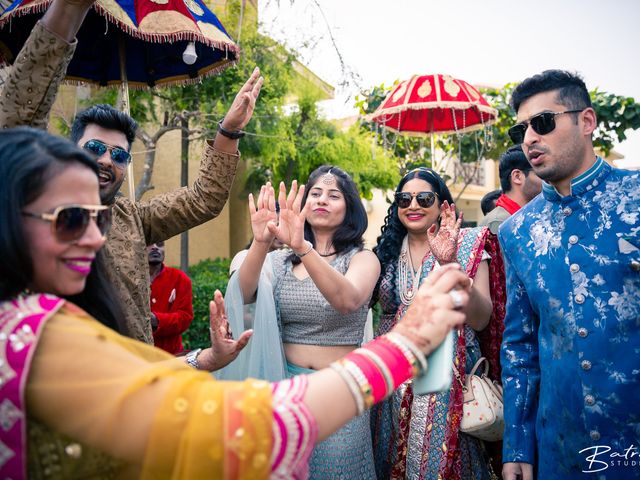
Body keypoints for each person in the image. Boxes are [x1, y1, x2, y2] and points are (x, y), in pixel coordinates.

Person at [0, 127, 471, 479]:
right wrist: (404, 346)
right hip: (297, 389)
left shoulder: (41, 323)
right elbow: (230, 423)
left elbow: (136, 382)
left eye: (100, 219)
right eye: (70, 219)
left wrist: (203, 359)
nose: (92, 238)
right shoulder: (32, 337)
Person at [0, 0, 264, 344]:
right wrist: (69, 11)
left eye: (119, 155)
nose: (107, 160)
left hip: (135, 380)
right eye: (95, 149)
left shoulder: (134, 219)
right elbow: (17, 120)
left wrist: (228, 132)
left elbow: (205, 199)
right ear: (70, 151)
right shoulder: (34, 206)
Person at [499, 70, 640, 480]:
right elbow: (520, 347)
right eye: (520, 129)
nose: (529, 138)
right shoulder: (518, 232)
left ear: (586, 121)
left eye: (542, 122)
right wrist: (517, 446)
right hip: (564, 449)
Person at [232, 166, 382, 478]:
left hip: (340, 396)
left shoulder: (362, 259)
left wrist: (303, 247)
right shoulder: (278, 261)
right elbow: (243, 295)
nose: (322, 200)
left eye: (333, 195)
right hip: (285, 391)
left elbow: (348, 300)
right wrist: (261, 242)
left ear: (349, 208)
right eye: (315, 193)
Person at [371, 167, 504, 480]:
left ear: (442, 204)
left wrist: (449, 265)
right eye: (404, 199)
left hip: (448, 385)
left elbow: (482, 318)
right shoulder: (386, 253)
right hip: (392, 387)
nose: (413, 205)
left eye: (424, 198)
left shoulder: (469, 244)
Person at [480, 145, 542, 234]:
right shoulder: (499, 223)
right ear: (517, 176)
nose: (547, 179)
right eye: (540, 173)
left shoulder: (525, 217)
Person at [147, 241, 194, 354]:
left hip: (171, 357)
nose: (155, 248)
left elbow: (185, 317)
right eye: (149, 243)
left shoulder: (180, 278)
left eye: (160, 244)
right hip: (135, 356)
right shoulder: (130, 280)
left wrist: (157, 320)